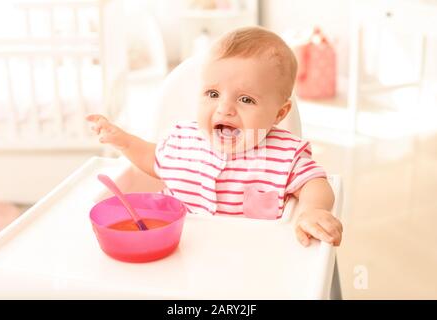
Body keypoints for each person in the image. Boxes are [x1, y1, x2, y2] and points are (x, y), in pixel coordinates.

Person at [87, 26, 342, 247]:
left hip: (250, 258)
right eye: (212, 94)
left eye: (245, 99)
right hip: (182, 251)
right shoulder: (184, 141)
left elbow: (316, 183)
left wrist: (312, 211)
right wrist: (124, 141)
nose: (224, 109)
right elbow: (152, 159)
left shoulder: (283, 153)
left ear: (279, 113)